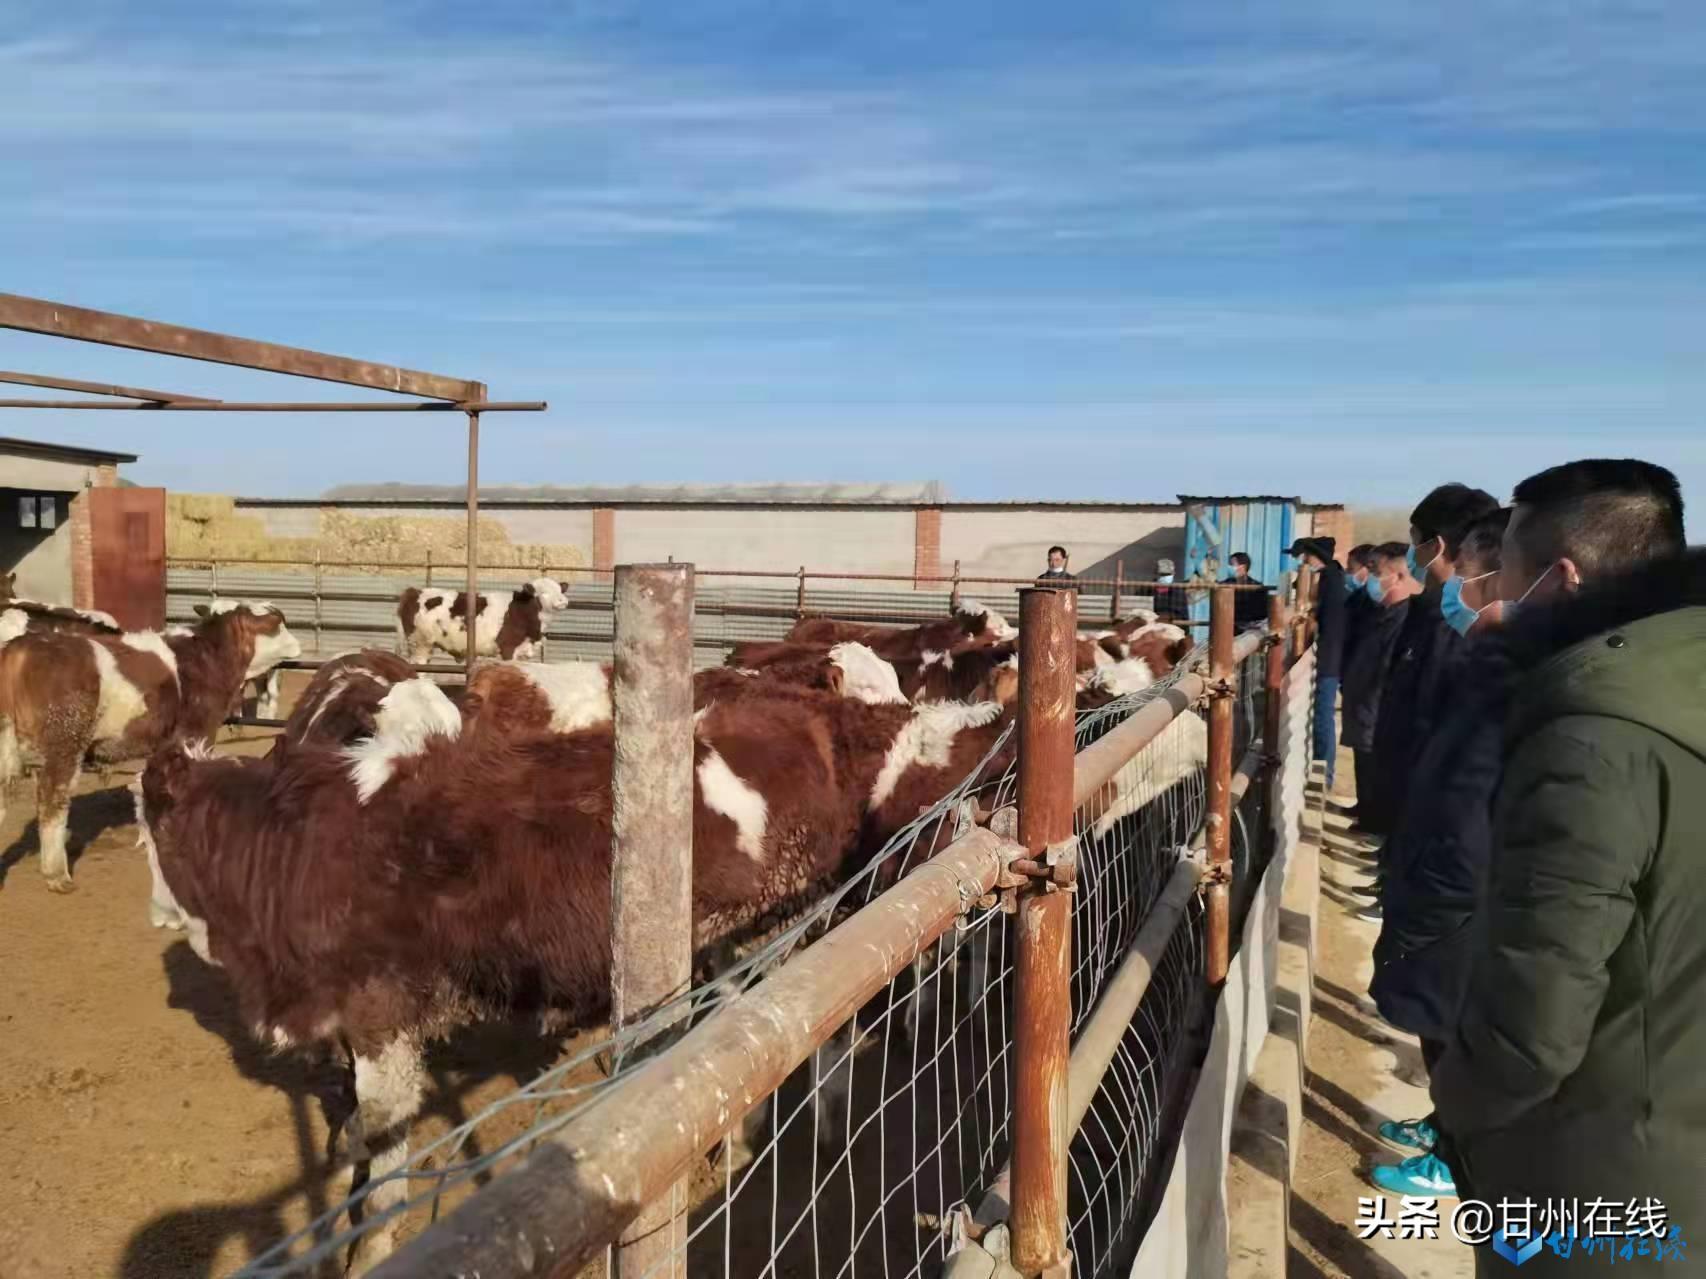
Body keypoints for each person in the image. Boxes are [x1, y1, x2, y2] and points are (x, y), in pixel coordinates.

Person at [1431, 460, 1698, 1272]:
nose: (1484, 586)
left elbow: (1531, 1029)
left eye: (1501, 567)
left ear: (1562, 579)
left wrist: (1459, 1109)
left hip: (1604, 1184)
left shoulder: (1589, 733)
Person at [1363, 509, 1511, 1199]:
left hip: (1462, 884)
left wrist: (1432, 889)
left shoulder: (1505, 670)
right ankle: (1448, 1127)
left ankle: (1461, 1154)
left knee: (1458, 1018)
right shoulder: (1480, 654)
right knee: (1443, 1022)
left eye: (1483, 577)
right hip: (1440, 868)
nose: (1461, 590)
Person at [1365, 484, 1500, 855]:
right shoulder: (1428, 613)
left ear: (1435, 546)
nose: (1410, 552)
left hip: (1435, 820)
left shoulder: (1462, 627)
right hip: (1411, 806)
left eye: (1414, 541)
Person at [1338, 543, 1417, 837]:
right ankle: (1366, 809)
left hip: (1378, 706)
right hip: (1362, 701)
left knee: (1378, 767)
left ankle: (1376, 821)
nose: (1371, 577)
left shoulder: (1406, 617)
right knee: (1364, 759)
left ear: (1397, 576)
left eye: (1377, 572)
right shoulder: (1377, 611)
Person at [1287, 537, 1347, 788]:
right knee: (1319, 717)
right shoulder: (1331, 578)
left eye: (1304, 557)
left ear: (1313, 556)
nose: (1302, 562)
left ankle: (1324, 777)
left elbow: (1322, 622)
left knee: (1322, 718)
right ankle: (1321, 771)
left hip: (1327, 660)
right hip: (1326, 657)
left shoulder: (1329, 581)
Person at [1223, 551, 1272, 629]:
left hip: (1250, 628)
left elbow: (1262, 613)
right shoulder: (1225, 584)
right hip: (1229, 626)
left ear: (1243, 566)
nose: (1229, 567)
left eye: (1232, 564)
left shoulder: (1257, 587)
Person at [1152, 556, 1189, 622]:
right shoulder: (1148, 589)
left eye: (1168, 574)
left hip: (1173, 627)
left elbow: (1183, 616)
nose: (1165, 577)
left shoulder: (1178, 591)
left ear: (1174, 574)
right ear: (1156, 574)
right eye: (1162, 574)